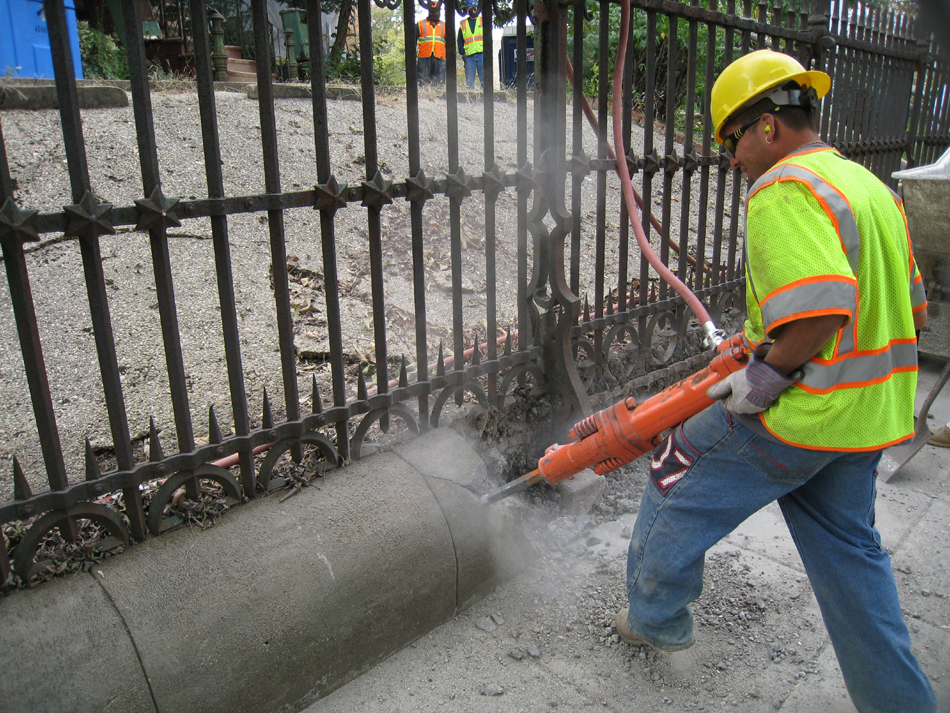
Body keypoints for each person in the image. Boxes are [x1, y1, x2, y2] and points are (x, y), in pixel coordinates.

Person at [614, 49, 937, 713]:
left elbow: (822, 309)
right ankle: (900, 702)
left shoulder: (784, 190)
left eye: (733, 140)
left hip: (800, 415)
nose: (733, 160)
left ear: (767, 125)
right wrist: (766, 339)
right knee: (852, 559)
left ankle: (656, 622)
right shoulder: (870, 189)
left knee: (672, 471)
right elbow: (915, 309)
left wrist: (765, 375)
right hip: (866, 418)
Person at [414, 1, 445, 86]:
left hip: (440, 57)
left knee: (439, 84)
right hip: (424, 57)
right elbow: (413, 42)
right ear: (431, 12)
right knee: (423, 82)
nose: (439, 13)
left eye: (440, 11)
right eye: (437, 11)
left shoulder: (444, 25)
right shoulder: (420, 24)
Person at [457, 0, 484, 90]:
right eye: (469, 8)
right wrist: (462, 52)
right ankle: (470, 101)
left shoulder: (483, 21)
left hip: (482, 54)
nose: (472, 10)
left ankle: (486, 99)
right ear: (467, 9)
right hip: (469, 56)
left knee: (484, 81)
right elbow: (460, 40)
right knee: (469, 83)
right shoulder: (463, 24)